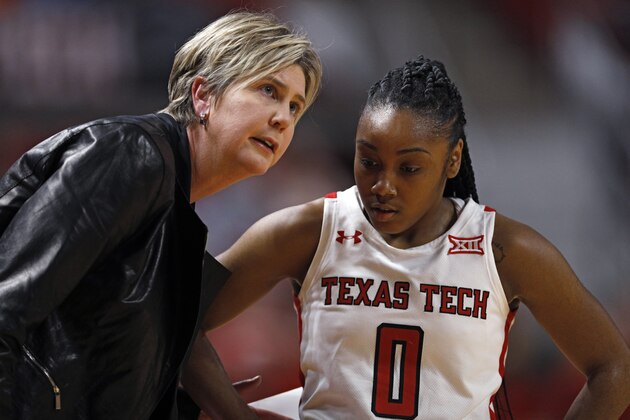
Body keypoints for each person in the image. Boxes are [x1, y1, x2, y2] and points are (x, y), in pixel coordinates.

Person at [194, 55, 630, 418]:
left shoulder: (504, 250)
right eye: (369, 161)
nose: (384, 185)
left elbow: (613, 367)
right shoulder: (309, 231)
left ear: (452, 160)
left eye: (409, 168)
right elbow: (175, 317)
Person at [0, 10, 322, 420]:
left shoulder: (174, 202)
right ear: (202, 95)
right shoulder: (130, 156)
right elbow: (7, 307)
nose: (283, 118)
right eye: (268, 90)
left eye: (295, 107)